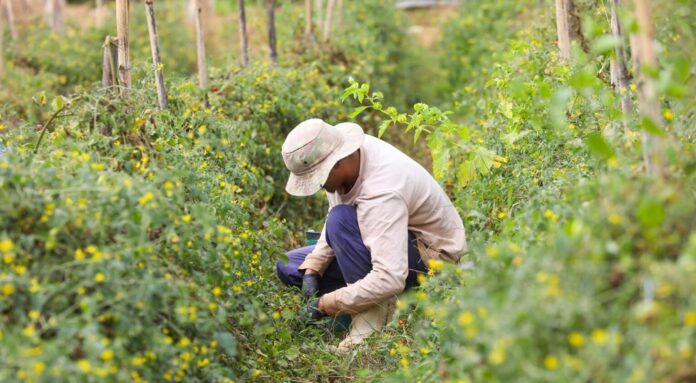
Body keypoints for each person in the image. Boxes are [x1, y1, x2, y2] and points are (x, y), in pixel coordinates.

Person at [276, 118, 467, 351]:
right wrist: (314, 267)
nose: (319, 187)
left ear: (336, 164)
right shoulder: (347, 163)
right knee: (290, 266)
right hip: (384, 239)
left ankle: (367, 327)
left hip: (429, 261)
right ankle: (361, 297)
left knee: (341, 220)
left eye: (318, 178)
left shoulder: (383, 190)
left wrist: (326, 304)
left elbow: (390, 276)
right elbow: (336, 218)